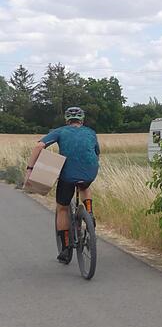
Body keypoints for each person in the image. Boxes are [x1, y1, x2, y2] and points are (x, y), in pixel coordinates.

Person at [24, 106, 100, 263]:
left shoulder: (61, 131)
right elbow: (96, 153)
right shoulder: (91, 132)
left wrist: (30, 169)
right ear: (82, 119)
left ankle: (65, 249)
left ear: (67, 120)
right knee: (85, 186)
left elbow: (39, 145)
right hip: (90, 172)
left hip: (68, 175)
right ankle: (90, 213)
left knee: (62, 208)